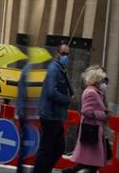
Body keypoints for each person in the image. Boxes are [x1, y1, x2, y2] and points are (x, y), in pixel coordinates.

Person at [33, 44, 73, 173]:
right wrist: (67, 99)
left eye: (67, 54)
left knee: (58, 148)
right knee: (46, 148)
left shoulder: (61, 69)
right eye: (63, 53)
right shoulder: (54, 69)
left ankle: (45, 170)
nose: (65, 56)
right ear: (57, 53)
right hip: (50, 115)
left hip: (57, 115)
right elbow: (51, 92)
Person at [63, 66, 109, 173]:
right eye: (102, 80)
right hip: (92, 131)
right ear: (96, 80)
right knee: (93, 163)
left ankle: (69, 172)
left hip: (94, 131)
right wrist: (103, 114)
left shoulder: (95, 92)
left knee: (88, 163)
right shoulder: (91, 92)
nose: (104, 83)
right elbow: (86, 110)